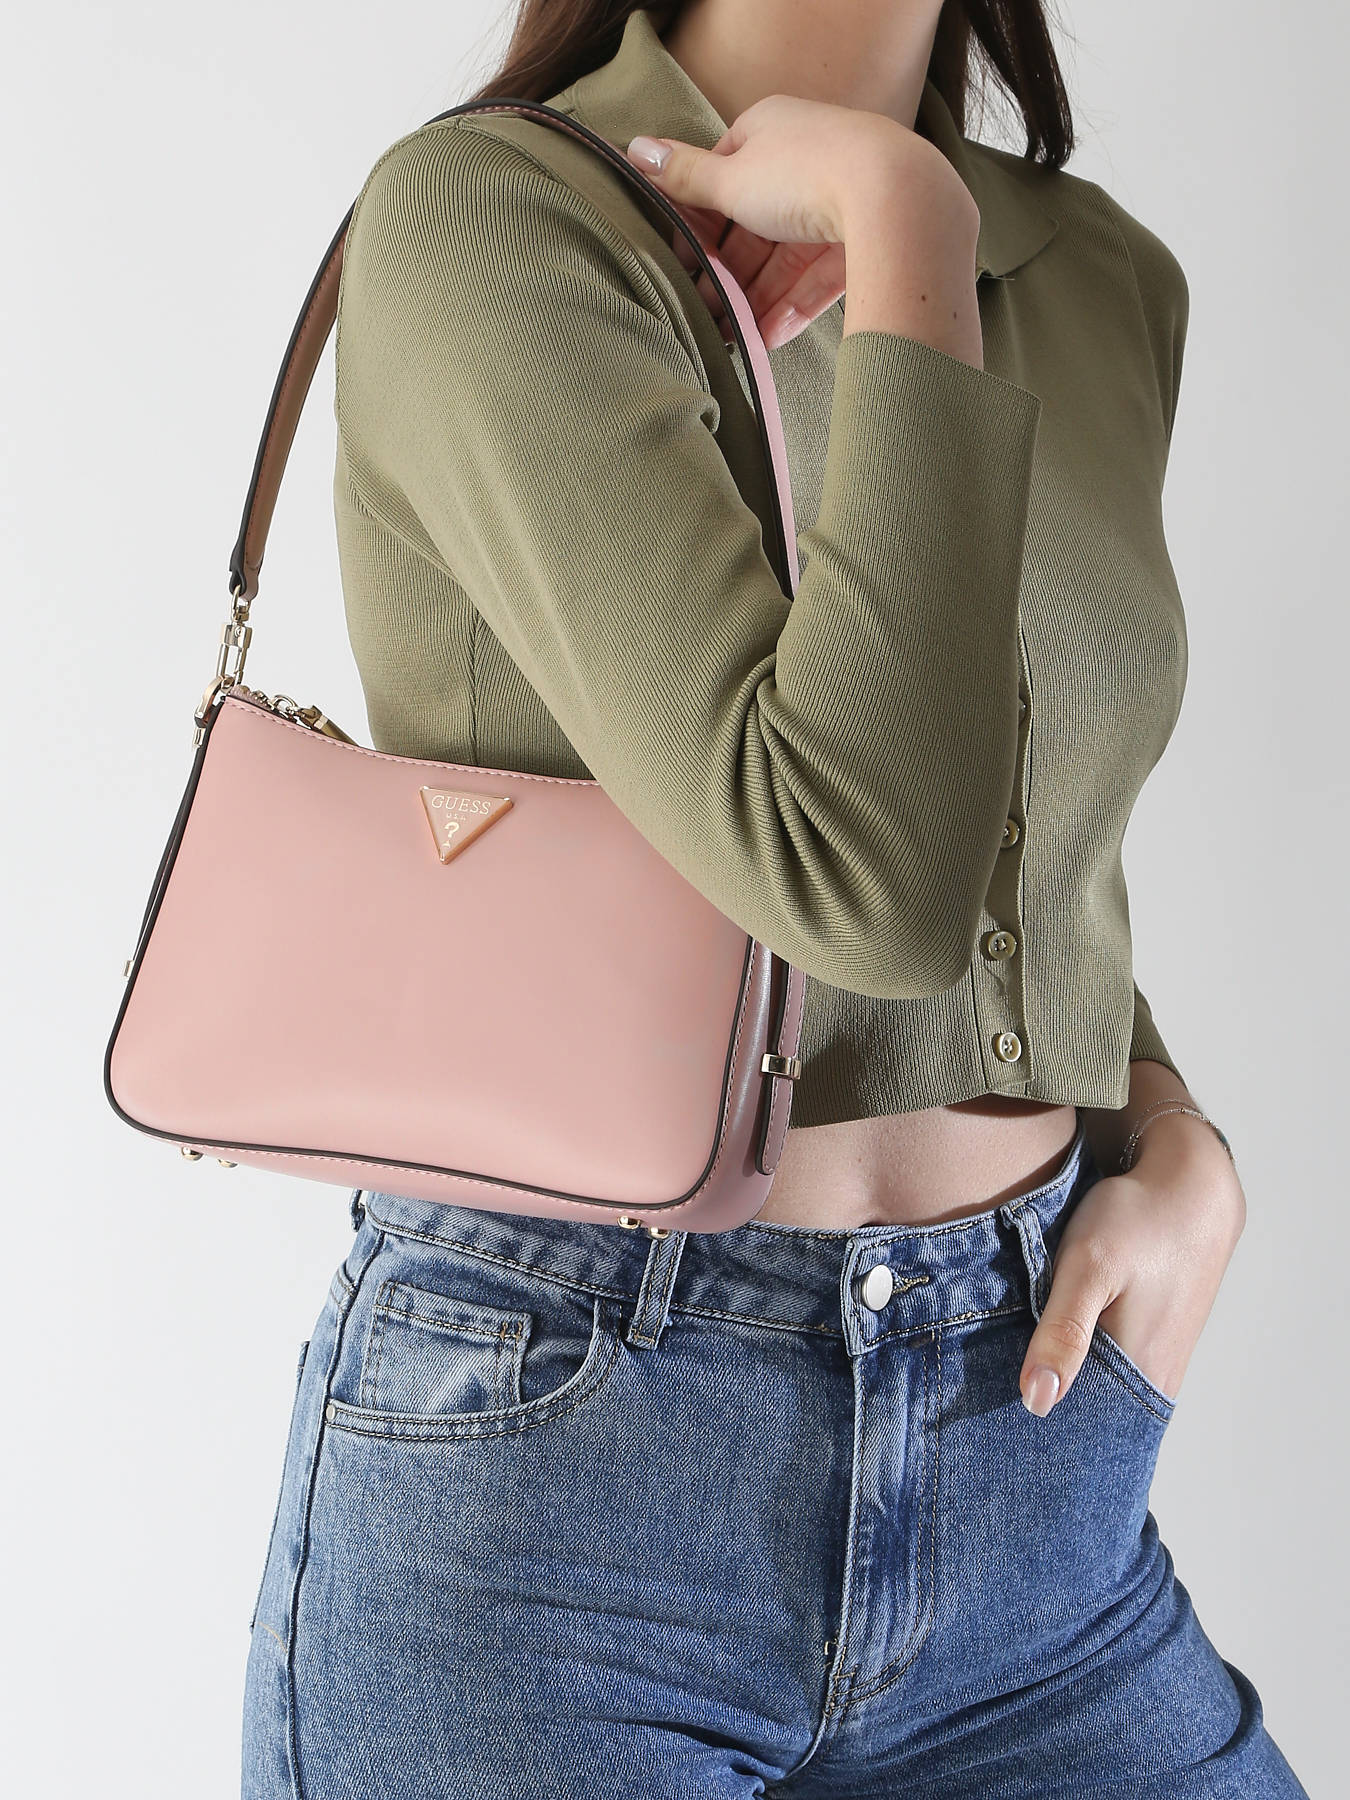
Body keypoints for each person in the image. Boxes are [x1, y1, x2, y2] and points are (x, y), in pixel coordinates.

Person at [241, 3, 1310, 1794]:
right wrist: (905, 240)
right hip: (555, 1492)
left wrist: (1168, 1125)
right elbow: (852, 874)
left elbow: (1014, 817)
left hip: (1034, 1469)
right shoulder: (493, 219)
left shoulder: (1098, 275)